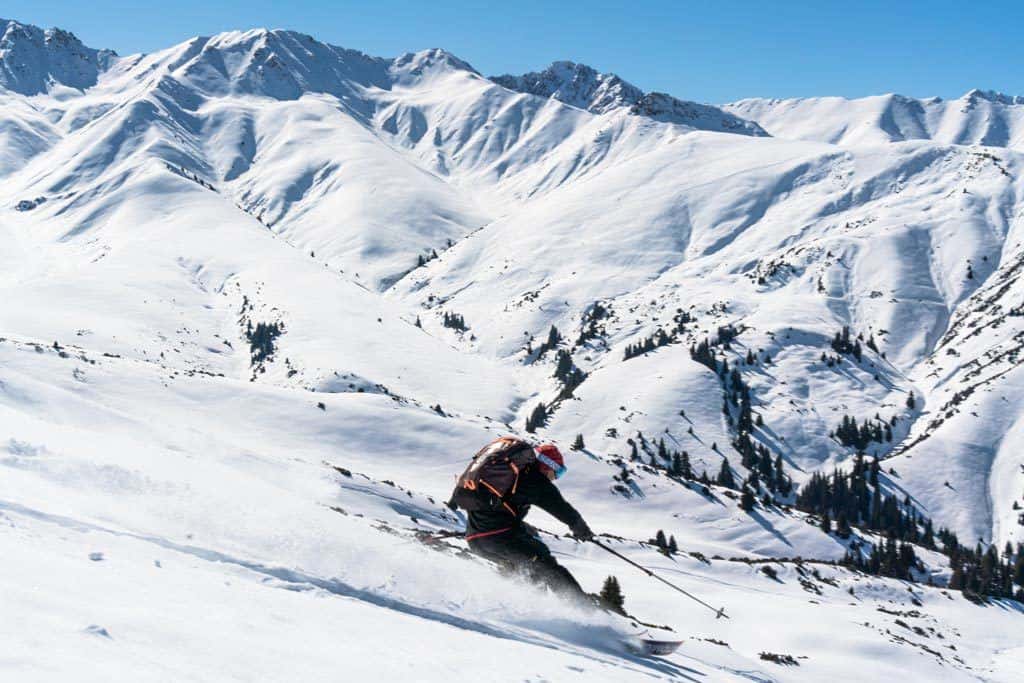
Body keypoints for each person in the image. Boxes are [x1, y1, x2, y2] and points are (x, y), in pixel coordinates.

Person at [462, 442, 594, 601]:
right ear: (548, 465)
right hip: (500, 539)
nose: (555, 478)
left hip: (475, 540)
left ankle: (526, 607)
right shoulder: (535, 479)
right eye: (558, 472)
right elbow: (560, 507)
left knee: (527, 565)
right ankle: (582, 608)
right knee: (545, 565)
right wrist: (580, 528)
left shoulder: (511, 476)